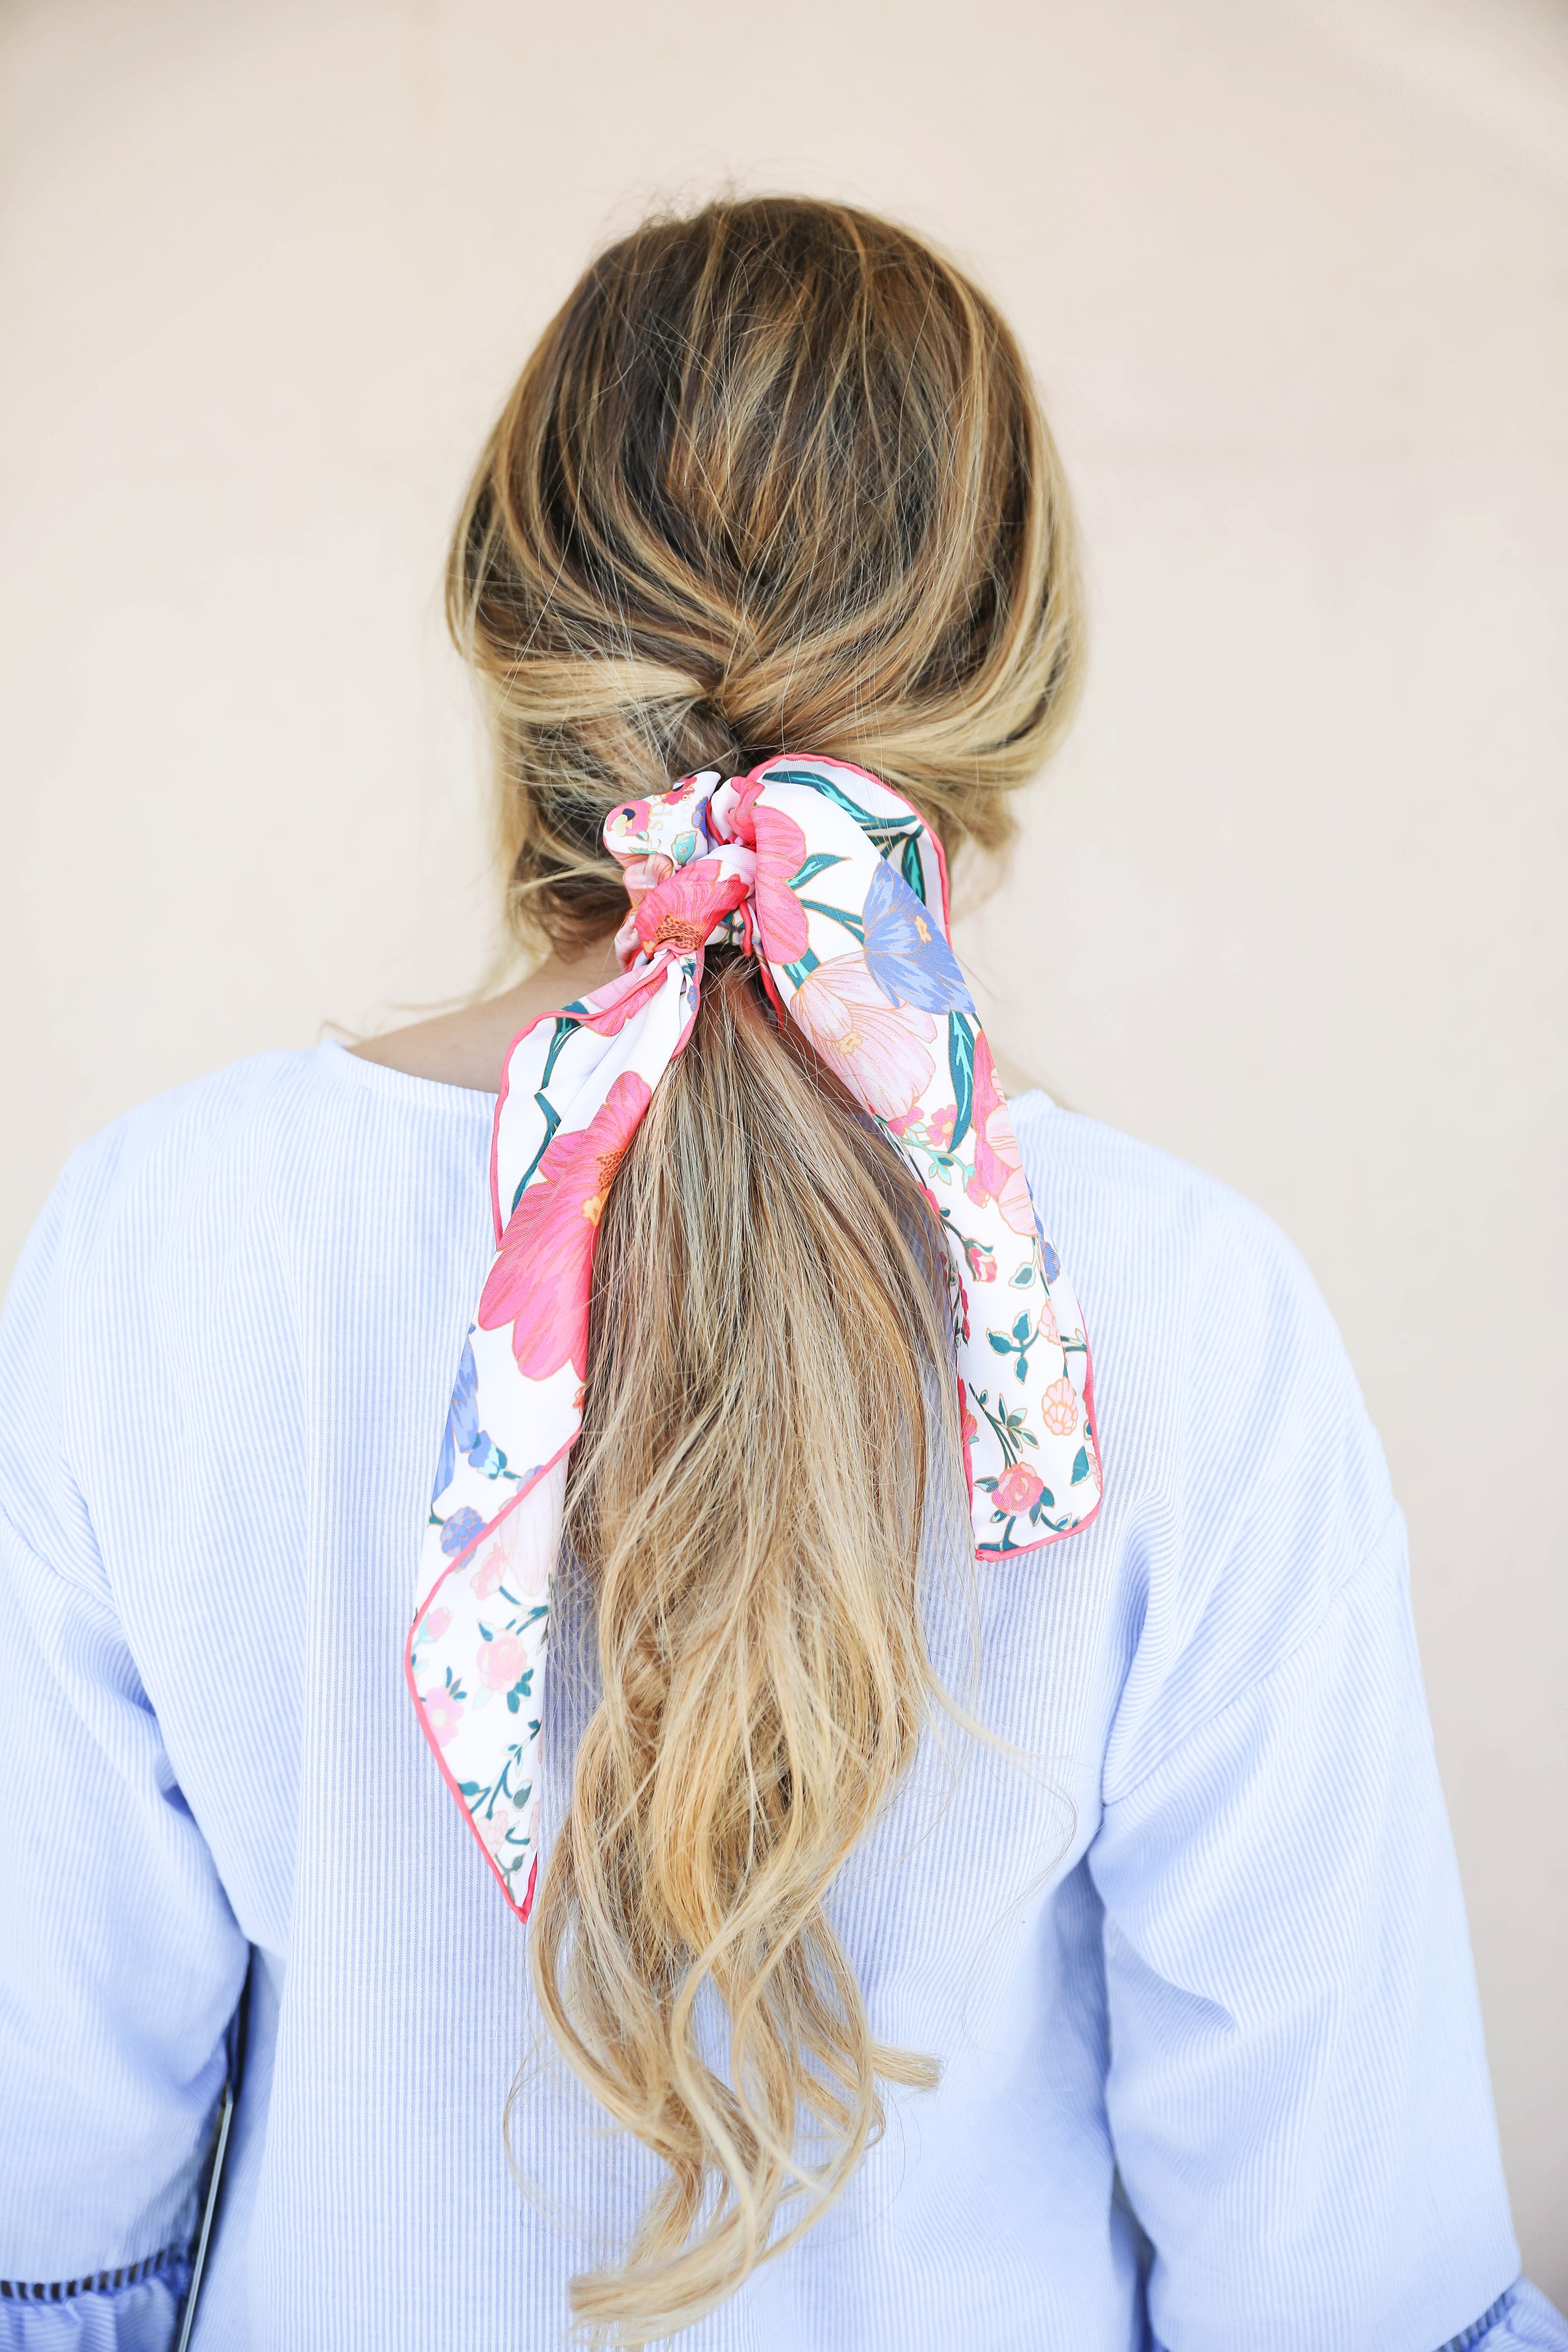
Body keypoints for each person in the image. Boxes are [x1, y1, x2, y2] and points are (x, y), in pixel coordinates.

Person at [0, 197, 1560, 2352]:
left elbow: (48, 2201)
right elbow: (1337, 2279)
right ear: (1011, 676)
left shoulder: (157, 1246)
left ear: (504, 625)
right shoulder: (1184, 1315)